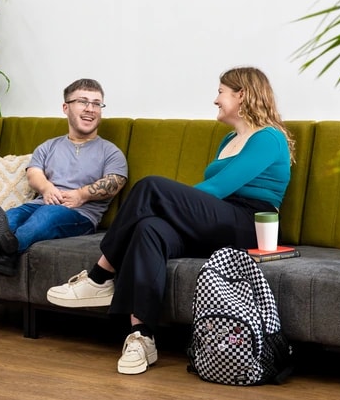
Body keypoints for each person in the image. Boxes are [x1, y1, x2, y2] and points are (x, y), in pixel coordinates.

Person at [46, 67, 294, 375]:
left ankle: (99, 275)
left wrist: (174, 201)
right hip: (219, 219)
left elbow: (218, 188)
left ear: (241, 94)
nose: (216, 100)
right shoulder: (229, 139)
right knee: (149, 229)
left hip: (249, 224)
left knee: (151, 188)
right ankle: (142, 336)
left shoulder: (269, 138)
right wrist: (176, 207)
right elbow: (214, 198)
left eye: (221, 92)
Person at [0, 78, 128, 276]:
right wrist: (46, 188)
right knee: (12, 217)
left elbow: (116, 181)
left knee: (47, 216)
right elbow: (34, 173)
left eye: (96, 103)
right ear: (66, 107)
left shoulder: (110, 152)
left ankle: (1, 252)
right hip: (40, 203)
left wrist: (81, 195)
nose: (90, 109)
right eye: (83, 102)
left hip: (80, 215)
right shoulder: (49, 146)